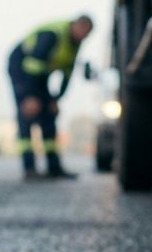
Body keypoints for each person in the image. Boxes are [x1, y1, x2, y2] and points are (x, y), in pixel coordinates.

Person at [7, 15, 93, 180]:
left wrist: (56, 99)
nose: (83, 37)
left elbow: (67, 74)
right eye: (83, 31)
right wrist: (30, 96)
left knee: (49, 115)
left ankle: (54, 167)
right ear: (76, 25)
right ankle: (29, 168)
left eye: (86, 35)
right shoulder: (52, 34)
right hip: (22, 71)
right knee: (27, 113)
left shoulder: (75, 44)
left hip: (40, 74)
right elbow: (33, 64)